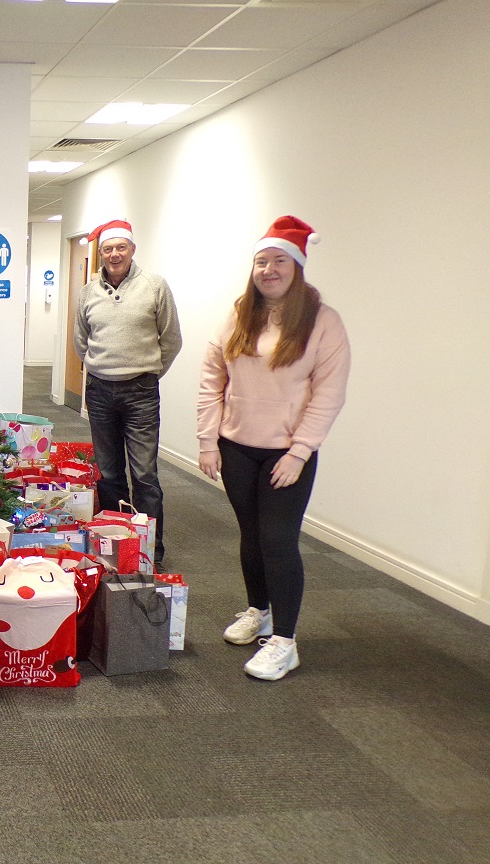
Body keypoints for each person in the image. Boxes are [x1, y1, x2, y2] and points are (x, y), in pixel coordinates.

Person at [197, 216, 350, 681]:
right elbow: (211, 379)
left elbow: (329, 393)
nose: (268, 269)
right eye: (261, 261)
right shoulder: (240, 312)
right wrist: (208, 440)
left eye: (278, 260)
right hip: (237, 446)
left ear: (296, 266)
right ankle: (257, 610)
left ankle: (284, 640)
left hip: (287, 454)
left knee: (279, 541)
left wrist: (300, 451)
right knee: (251, 534)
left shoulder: (323, 322)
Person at [74, 219, 182, 569]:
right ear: (101, 253)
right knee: (108, 473)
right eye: (108, 248)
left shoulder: (154, 286)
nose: (114, 254)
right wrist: (101, 367)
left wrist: (147, 372)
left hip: (141, 393)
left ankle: (151, 551)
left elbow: (171, 339)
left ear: (132, 250)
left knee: (145, 475)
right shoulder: (88, 292)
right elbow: (81, 340)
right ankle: (115, 546)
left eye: (121, 247)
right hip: (100, 392)